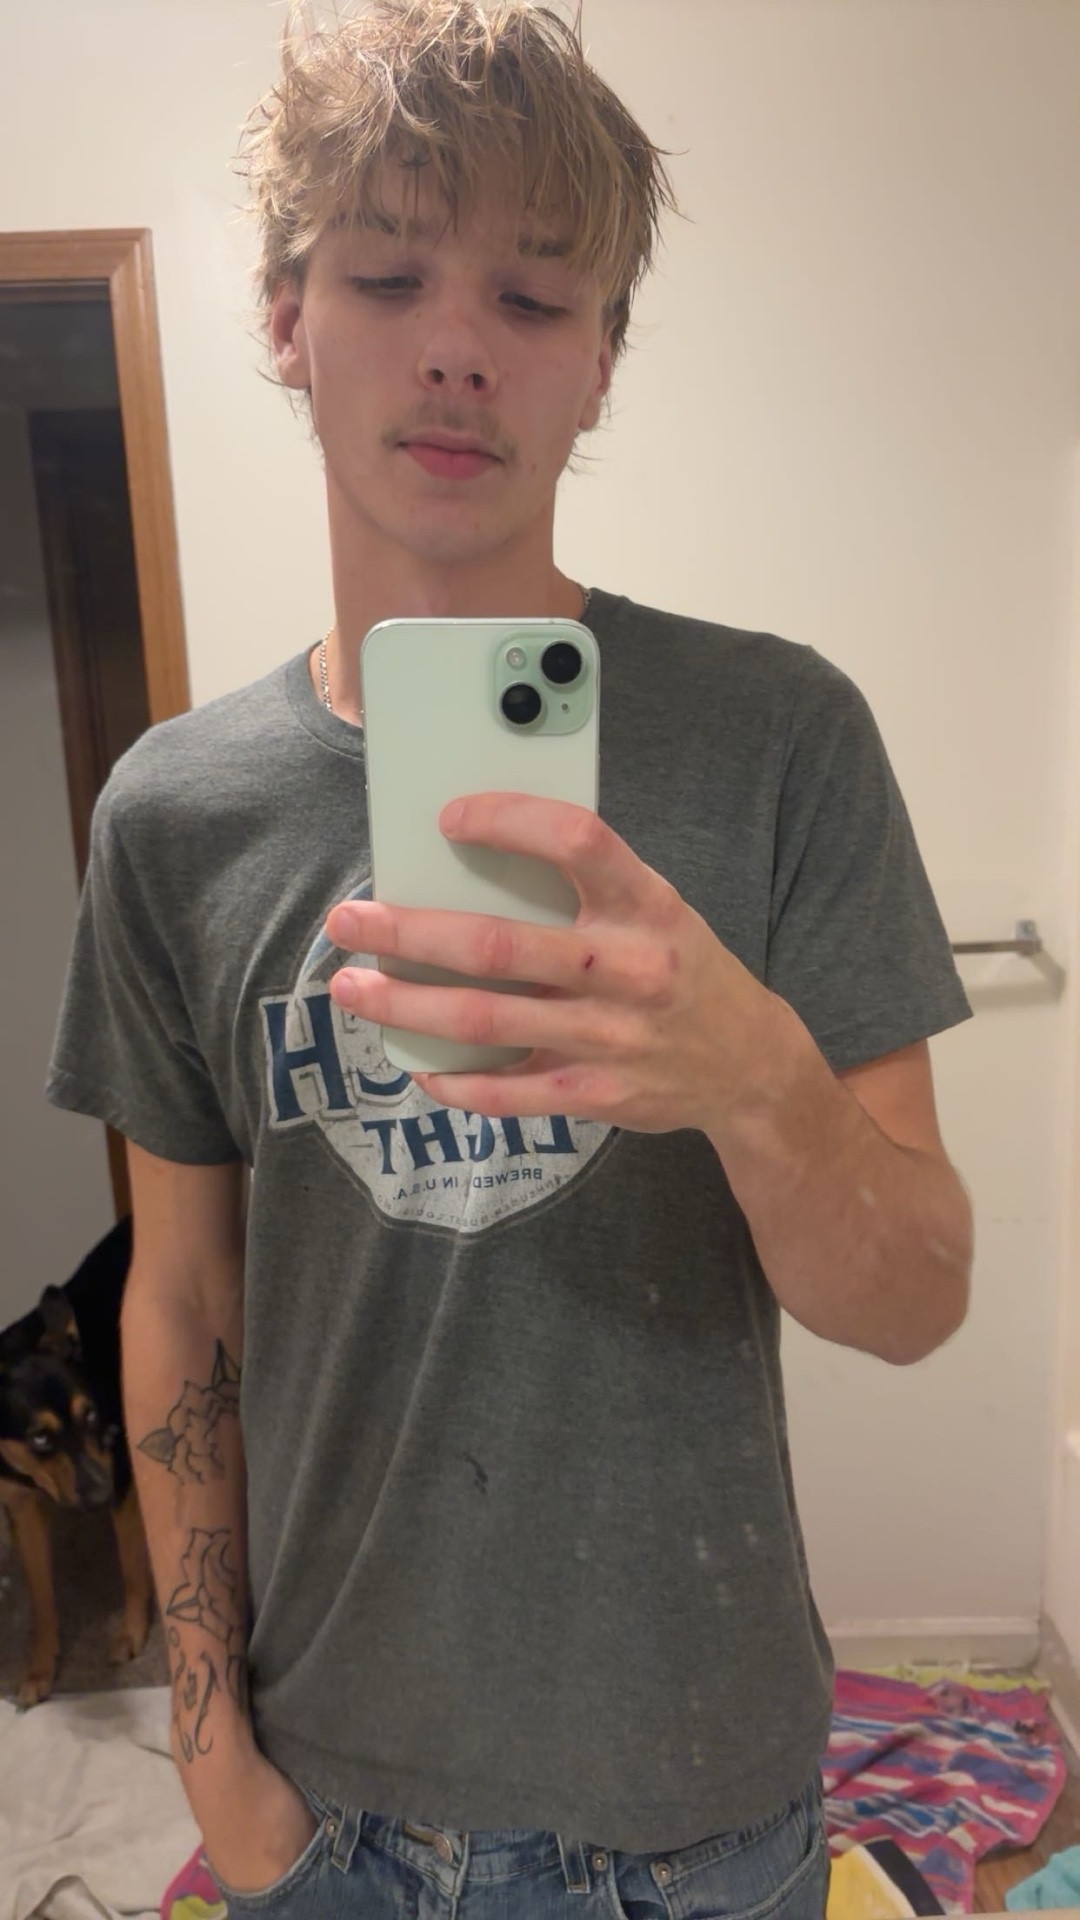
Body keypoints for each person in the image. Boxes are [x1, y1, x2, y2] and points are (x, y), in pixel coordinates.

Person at [46, 1, 975, 1913]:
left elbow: (916, 1299)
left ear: (603, 359)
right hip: (334, 1814)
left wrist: (753, 1079)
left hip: (706, 1805)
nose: (460, 345)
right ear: (286, 316)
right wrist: (212, 1756)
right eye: (389, 274)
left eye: (537, 298)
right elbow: (180, 1295)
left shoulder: (781, 739)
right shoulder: (173, 814)